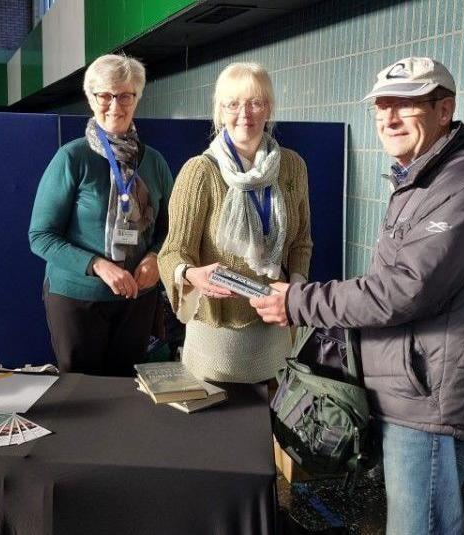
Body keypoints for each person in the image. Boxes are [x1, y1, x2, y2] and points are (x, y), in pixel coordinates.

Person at [250, 57, 464, 534]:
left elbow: (402, 292)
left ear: (445, 110)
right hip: (407, 395)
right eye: (381, 106)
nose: (389, 118)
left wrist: (297, 301)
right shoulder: (421, 178)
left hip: (431, 404)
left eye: (406, 104)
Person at [157, 62, 312, 384]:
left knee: (270, 427)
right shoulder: (200, 171)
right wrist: (190, 274)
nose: (245, 113)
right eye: (233, 104)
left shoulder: (293, 166)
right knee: (215, 429)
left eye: (255, 102)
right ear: (220, 111)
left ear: (269, 107)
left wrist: (295, 292)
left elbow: (301, 243)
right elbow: (173, 252)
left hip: (275, 326)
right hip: (217, 337)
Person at [29, 54, 173, 376]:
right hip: (77, 300)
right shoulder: (72, 158)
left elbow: (172, 232)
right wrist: (98, 266)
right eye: (105, 95)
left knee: (127, 395)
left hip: (137, 299)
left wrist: (155, 257)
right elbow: (40, 237)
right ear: (91, 99)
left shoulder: (156, 163)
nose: (115, 105)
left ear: (137, 99)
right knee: (84, 396)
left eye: (125, 96)